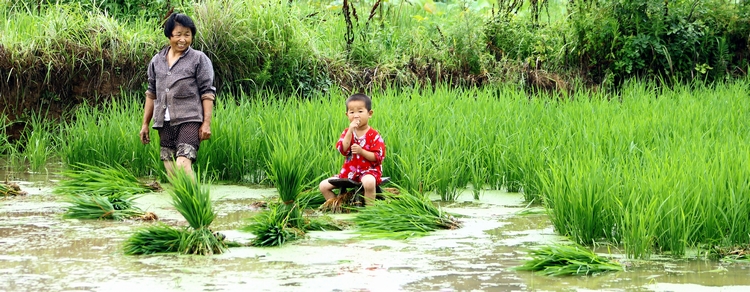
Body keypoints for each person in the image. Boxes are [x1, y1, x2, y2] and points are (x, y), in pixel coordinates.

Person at [139, 13, 216, 178]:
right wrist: (145, 124)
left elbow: (207, 92)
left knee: (183, 164)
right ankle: (179, 204)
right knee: (172, 170)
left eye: (187, 35)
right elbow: (151, 93)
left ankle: (197, 203)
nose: (183, 39)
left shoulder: (198, 59)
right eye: (178, 34)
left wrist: (206, 124)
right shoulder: (157, 61)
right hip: (163, 122)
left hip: (189, 119)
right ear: (169, 35)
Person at [319, 93, 386, 206]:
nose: (356, 116)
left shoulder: (374, 135)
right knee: (323, 186)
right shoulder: (347, 133)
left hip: (369, 171)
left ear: (369, 114)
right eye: (352, 112)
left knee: (369, 183)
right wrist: (350, 131)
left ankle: (370, 210)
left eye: (360, 111)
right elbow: (343, 150)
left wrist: (361, 151)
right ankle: (340, 206)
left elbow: (378, 157)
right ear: (347, 115)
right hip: (349, 173)